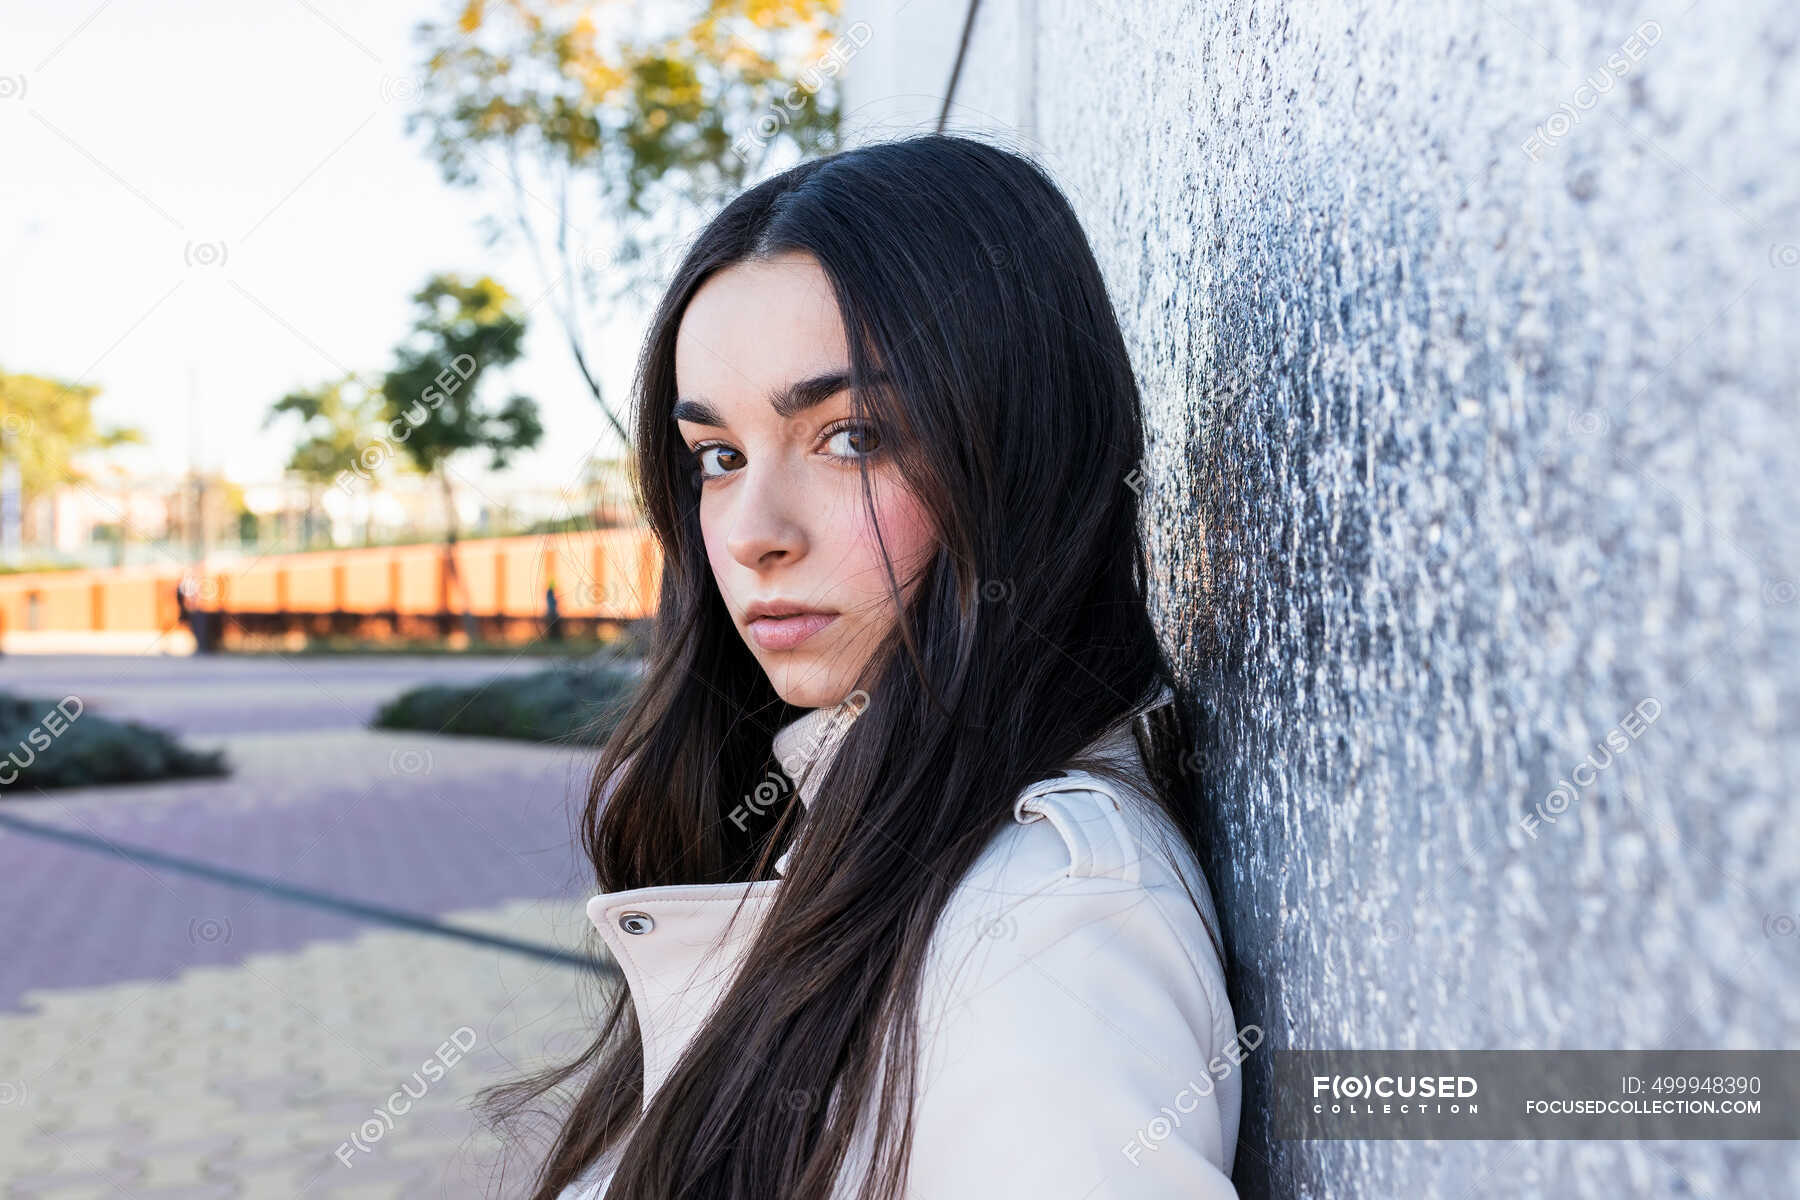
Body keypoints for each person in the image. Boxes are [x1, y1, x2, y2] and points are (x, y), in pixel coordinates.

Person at [480, 134, 1242, 1200]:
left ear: (1025, 448)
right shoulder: (852, 822)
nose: (753, 532)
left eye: (851, 437)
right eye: (719, 456)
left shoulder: (1041, 930)